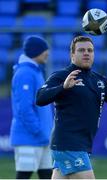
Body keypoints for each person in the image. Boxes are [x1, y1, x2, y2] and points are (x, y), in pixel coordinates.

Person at [36, 36, 107, 179]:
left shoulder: (99, 80)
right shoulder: (62, 76)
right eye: (81, 50)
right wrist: (63, 87)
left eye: (90, 50)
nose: (86, 53)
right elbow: (40, 98)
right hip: (69, 144)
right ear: (72, 54)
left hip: (80, 144)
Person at [10, 35, 53, 179]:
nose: (47, 53)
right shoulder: (25, 73)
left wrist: (45, 132)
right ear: (36, 51)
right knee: (24, 176)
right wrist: (38, 130)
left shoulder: (35, 71)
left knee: (48, 175)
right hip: (29, 137)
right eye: (44, 50)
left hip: (42, 137)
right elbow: (24, 108)